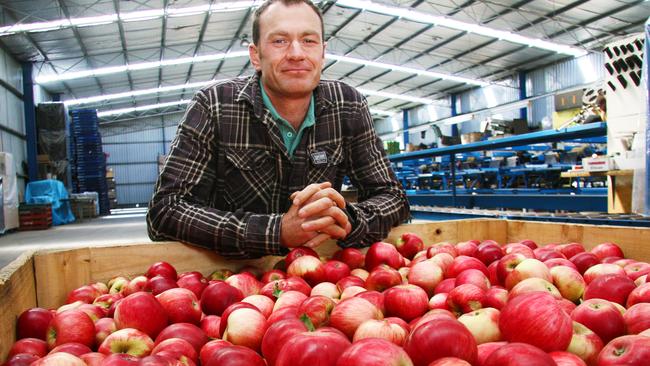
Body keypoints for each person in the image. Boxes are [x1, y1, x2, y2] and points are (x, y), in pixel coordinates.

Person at [146, 0, 409, 258]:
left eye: (309, 40)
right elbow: (165, 211)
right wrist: (276, 232)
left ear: (322, 52)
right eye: (279, 41)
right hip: (229, 280)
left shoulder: (347, 104)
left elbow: (393, 198)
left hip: (322, 282)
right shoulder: (214, 105)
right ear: (256, 55)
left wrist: (349, 220)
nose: (297, 53)